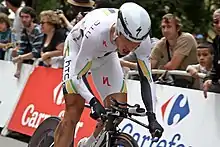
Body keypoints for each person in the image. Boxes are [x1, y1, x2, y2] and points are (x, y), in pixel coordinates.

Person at [54, 2, 164, 147]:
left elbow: (147, 78)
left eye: (136, 44)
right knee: (74, 108)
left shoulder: (143, 40)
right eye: (128, 41)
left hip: (106, 55)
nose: (131, 48)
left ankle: (88, 144)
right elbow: (77, 76)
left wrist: (152, 116)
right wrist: (93, 102)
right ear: (118, 30)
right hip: (78, 48)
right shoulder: (96, 33)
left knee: (119, 110)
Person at [12, 6, 44, 78]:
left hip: (42, 62)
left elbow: (36, 53)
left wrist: (19, 57)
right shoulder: (24, 31)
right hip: (33, 63)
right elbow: (21, 51)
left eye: (26, 17)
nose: (24, 19)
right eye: (22, 17)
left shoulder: (38, 30)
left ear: (32, 18)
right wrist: (18, 70)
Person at [203, 9, 220, 98]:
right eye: (216, 22)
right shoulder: (216, 41)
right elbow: (216, 65)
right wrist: (209, 78)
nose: (219, 25)